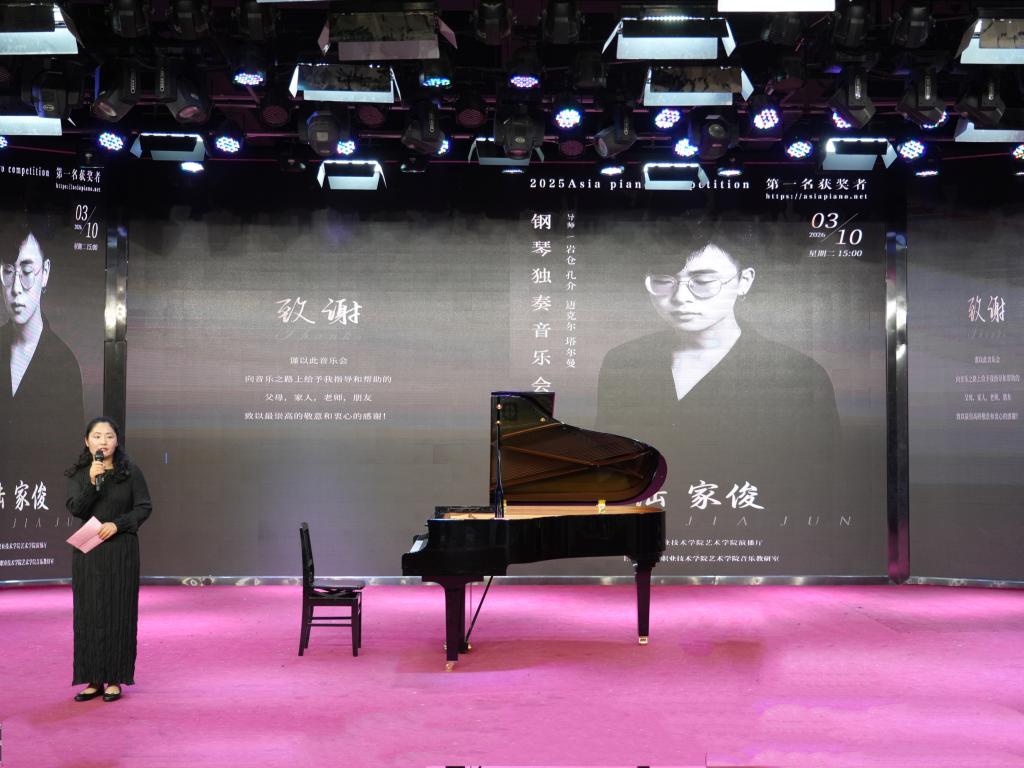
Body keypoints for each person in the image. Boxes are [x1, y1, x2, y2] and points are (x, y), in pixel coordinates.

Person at [596, 235, 839, 508]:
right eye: (664, 281)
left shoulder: (799, 376)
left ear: (744, 281)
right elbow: (609, 473)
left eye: (703, 282)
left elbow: (816, 488)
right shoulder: (623, 362)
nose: (680, 298)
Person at [66, 417, 153, 703]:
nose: (103, 441)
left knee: (119, 612)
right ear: (86, 441)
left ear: (117, 441)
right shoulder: (80, 473)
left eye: (109, 436)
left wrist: (118, 524)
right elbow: (77, 509)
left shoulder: (131, 472)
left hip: (121, 550)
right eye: (97, 436)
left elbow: (144, 507)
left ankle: (115, 679)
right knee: (89, 615)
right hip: (89, 552)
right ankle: (93, 679)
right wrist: (92, 482)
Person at [0, 225, 84, 477]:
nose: (16, 288)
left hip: (40, 497)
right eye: (7, 272)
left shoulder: (65, 365)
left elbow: (72, 465)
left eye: (27, 272)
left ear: (45, 273)